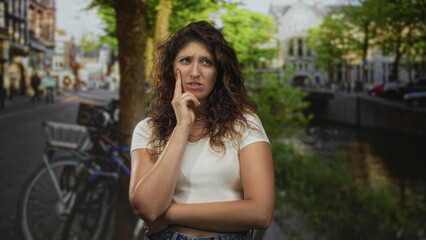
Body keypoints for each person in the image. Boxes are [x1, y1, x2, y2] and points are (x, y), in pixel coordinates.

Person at [129, 21, 275, 240]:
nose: (195, 72)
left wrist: (169, 214)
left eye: (206, 62)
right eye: (186, 60)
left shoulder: (245, 124)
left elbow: (261, 213)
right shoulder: (146, 130)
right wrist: (182, 127)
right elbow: (148, 208)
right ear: (172, 68)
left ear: (219, 71)